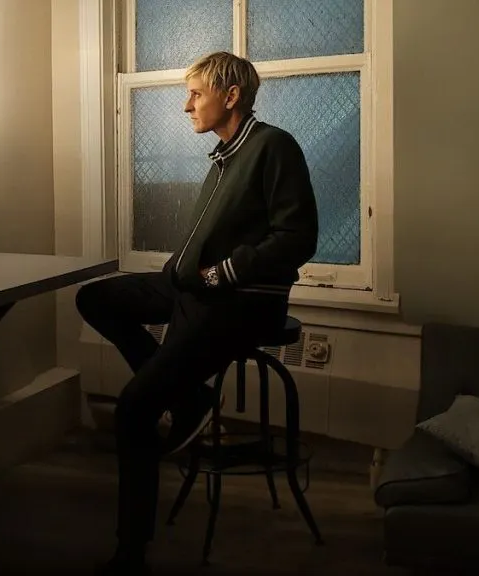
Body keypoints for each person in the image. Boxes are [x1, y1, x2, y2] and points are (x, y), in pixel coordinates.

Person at [77, 51, 319, 575]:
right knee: (94, 298)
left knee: (133, 407)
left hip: (236, 301)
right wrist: (187, 274)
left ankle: (129, 553)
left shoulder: (272, 146)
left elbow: (297, 237)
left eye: (195, 94)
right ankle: (189, 399)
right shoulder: (224, 156)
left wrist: (220, 275)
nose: (186, 105)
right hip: (189, 288)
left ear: (230, 97)